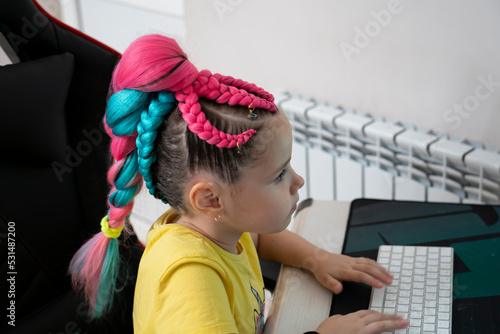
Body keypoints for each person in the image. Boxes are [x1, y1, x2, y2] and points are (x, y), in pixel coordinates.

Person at [69, 34, 408, 334]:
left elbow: (257, 239)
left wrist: (315, 258)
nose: (297, 181)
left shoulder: (219, 225)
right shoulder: (189, 279)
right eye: (279, 175)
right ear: (210, 200)